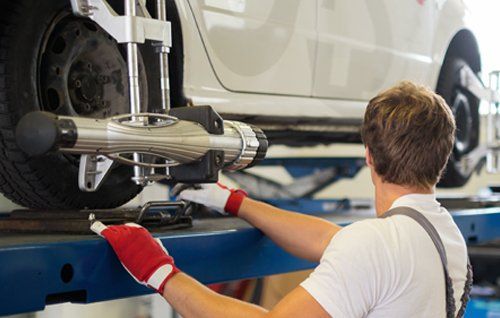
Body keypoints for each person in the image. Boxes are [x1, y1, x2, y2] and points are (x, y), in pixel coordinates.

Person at [91, 81, 471, 317]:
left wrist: (161, 273)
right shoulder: (443, 234)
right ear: (441, 157)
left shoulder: (377, 245)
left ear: (368, 155)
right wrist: (239, 203)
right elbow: (330, 241)